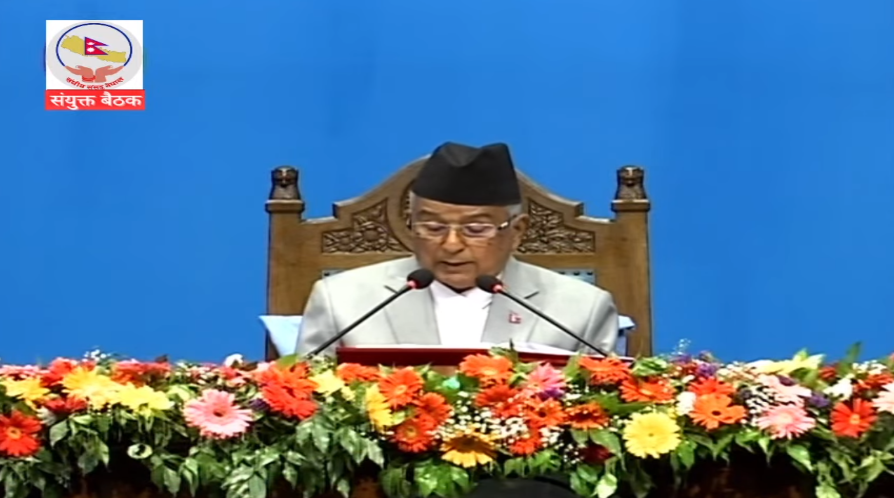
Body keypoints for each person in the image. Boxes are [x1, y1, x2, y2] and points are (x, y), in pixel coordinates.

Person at [295, 141, 620, 356]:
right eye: (433, 227)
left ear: (517, 231)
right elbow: (302, 403)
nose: (451, 245)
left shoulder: (581, 309)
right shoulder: (341, 301)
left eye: (475, 229)